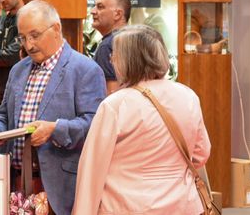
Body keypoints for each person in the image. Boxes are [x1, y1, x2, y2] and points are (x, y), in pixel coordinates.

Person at [72, 25, 211, 214]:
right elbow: (201, 153)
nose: (112, 60)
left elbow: (92, 172)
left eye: (116, 55)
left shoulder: (115, 105)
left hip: (128, 206)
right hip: (182, 204)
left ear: (128, 60)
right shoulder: (188, 96)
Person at [0, 0, 106, 215]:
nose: (29, 45)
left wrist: (55, 129)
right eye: (23, 38)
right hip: (14, 182)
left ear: (56, 29)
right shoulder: (18, 69)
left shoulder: (85, 70)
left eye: (35, 35)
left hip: (56, 185)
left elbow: (94, 125)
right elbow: (4, 113)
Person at [91, 0, 131, 94]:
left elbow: (111, 92)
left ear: (118, 14)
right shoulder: (136, 41)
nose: (93, 11)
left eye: (100, 7)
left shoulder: (108, 46)